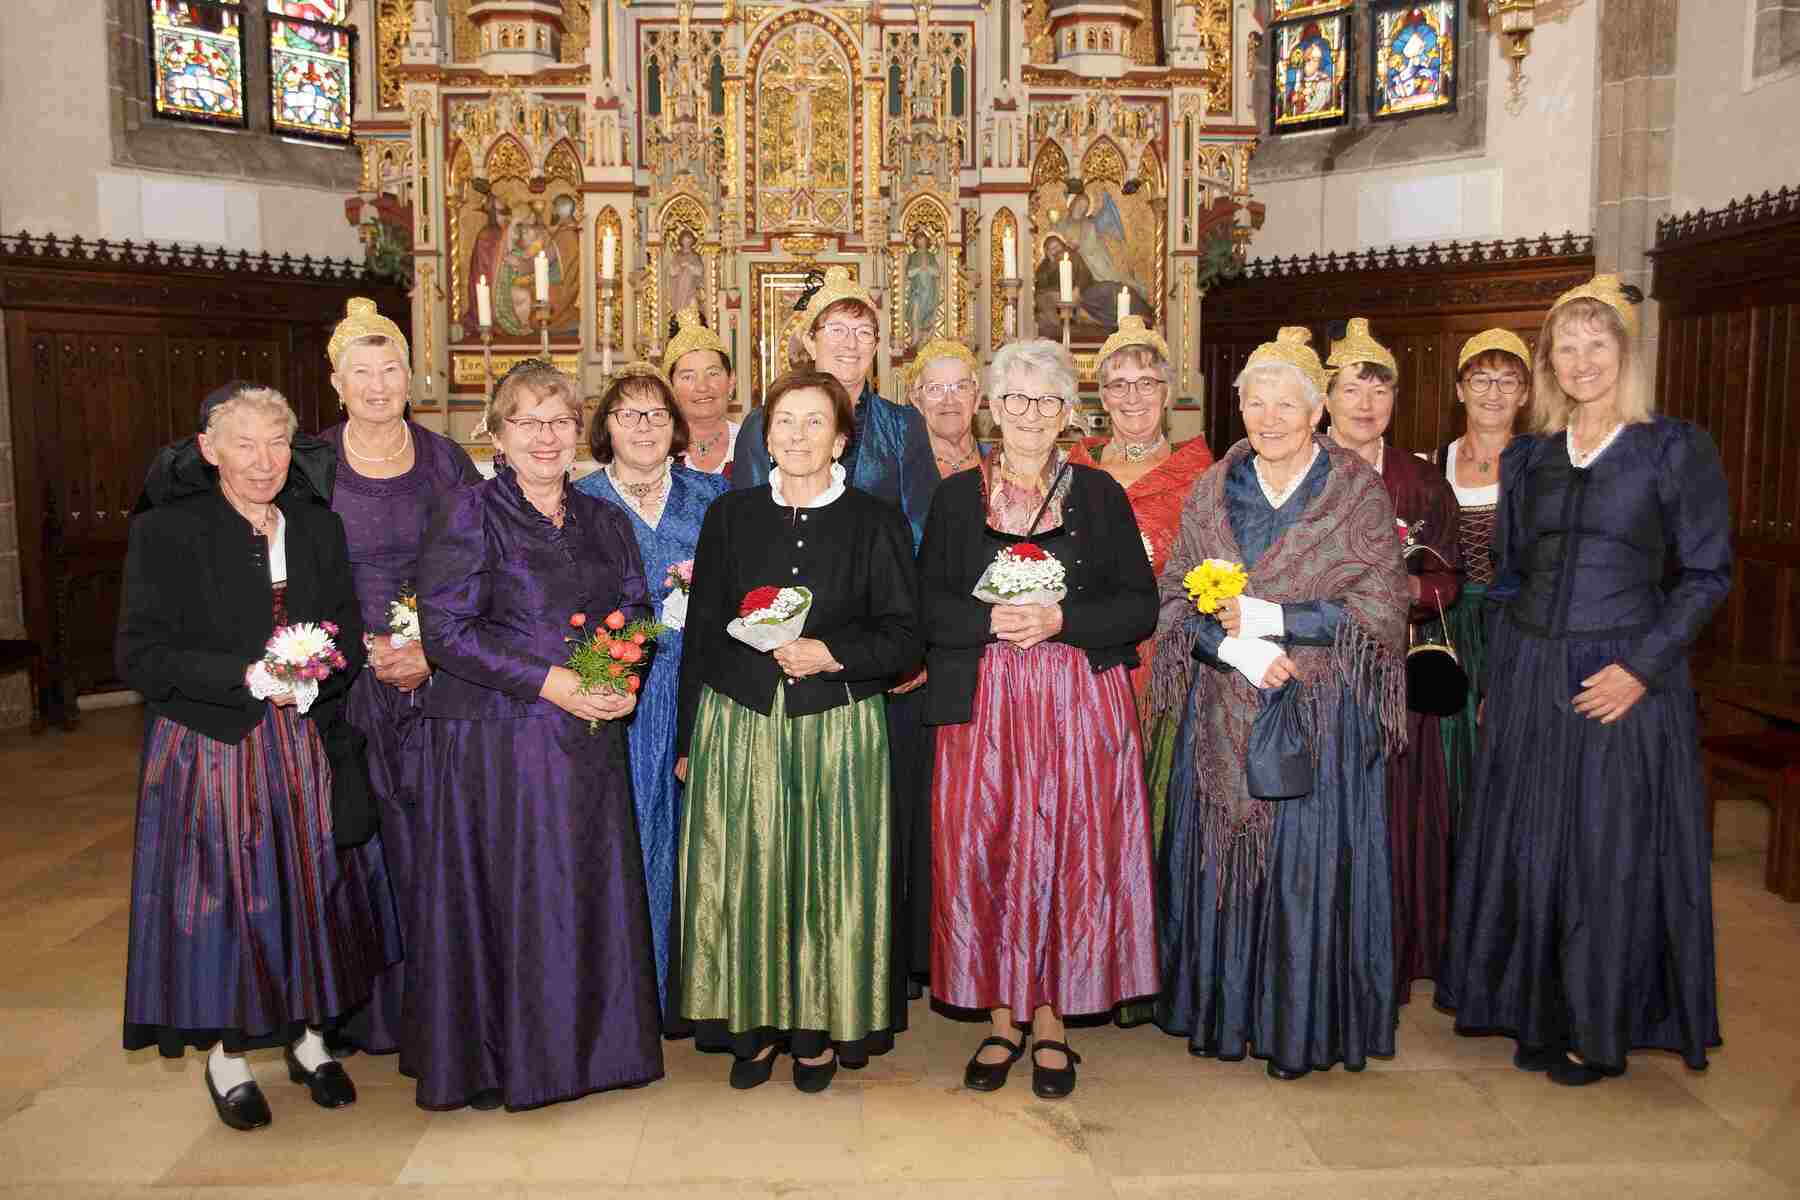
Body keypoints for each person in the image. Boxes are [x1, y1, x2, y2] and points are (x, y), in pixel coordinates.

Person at [1439, 277, 1731, 1086]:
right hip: (1531, 670)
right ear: (1549, 363)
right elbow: (1508, 575)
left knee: (1606, 844)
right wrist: (1498, 676)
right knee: (1532, 838)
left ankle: (1596, 1021)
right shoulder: (1530, 455)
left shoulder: (1672, 448)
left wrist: (1641, 668)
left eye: (1597, 343)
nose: (1581, 360)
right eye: (1565, 346)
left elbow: (1707, 575)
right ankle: (1530, 1005)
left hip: (1621, 671)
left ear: (1626, 353)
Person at [119, 382, 399, 1131]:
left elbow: (342, 628)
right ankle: (228, 1057)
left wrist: (317, 670)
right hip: (212, 743)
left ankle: (308, 1041)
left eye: (276, 443)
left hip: (303, 738)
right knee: (229, 900)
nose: (263, 460)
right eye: (244, 444)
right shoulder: (167, 532)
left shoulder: (316, 527)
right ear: (208, 450)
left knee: (309, 887)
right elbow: (140, 655)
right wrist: (243, 676)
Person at [1148, 327, 1409, 1080]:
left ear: (1317, 411)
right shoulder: (1212, 488)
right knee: (1223, 859)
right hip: (1222, 707)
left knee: (1304, 865)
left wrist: (1276, 618)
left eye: (1286, 404)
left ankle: (1299, 1025)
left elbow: (1381, 610)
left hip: (1321, 713)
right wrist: (1232, 649)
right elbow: (1175, 600)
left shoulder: (1355, 492)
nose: (1269, 418)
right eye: (1255, 403)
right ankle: (1223, 1016)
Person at [408, 361, 664, 1111]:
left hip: (587, 738)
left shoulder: (602, 518)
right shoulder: (469, 512)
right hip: (499, 741)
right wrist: (551, 683)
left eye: (559, 421)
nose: (546, 437)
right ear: (497, 434)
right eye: (528, 422)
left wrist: (622, 677)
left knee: (582, 891)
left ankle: (592, 1052)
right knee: (517, 896)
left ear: (578, 430)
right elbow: (447, 632)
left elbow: (635, 610)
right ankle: (503, 1060)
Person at [920, 338, 1159, 1100]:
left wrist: (1062, 620)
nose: (1030, 414)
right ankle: (1001, 1018)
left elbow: (1140, 605)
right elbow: (925, 605)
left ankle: (1053, 1022)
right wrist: (988, 622)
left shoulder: (1101, 495)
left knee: (1067, 850)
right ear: (993, 408)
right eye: (1016, 399)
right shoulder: (956, 499)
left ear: (1067, 413)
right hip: (984, 704)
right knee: (989, 850)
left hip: (1077, 700)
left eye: (1047, 400)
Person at [674, 370, 921, 1093]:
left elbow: (905, 635)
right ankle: (754, 1029)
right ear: (765, 435)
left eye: (815, 422)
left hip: (835, 726)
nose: (798, 435)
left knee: (826, 879)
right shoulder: (731, 515)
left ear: (841, 439)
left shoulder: (874, 520)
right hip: (741, 721)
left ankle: (816, 1032)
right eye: (784, 421)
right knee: (747, 874)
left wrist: (831, 653)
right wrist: (689, 739)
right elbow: (702, 636)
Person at [733, 266, 940, 997]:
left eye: (865, 331)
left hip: (871, 648)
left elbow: (923, 533)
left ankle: (869, 964)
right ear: (809, 339)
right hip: (777, 648)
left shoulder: (902, 426)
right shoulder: (771, 420)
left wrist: (907, 642)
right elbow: (749, 531)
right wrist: (776, 631)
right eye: (837, 329)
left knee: (867, 814)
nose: (851, 343)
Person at [320, 299, 480, 1057]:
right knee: (357, 838)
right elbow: (296, 570)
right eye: (363, 372)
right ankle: (360, 1007)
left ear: (411, 377)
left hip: (434, 675)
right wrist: (357, 644)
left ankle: (442, 1004)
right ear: (337, 383)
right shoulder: (312, 463)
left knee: (433, 837)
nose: (379, 385)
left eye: (391, 369)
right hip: (342, 680)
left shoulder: (446, 460)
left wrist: (428, 646)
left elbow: (477, 563)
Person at [573, 361, 728, 1016]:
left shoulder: (712, 497)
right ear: (606, 427)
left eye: (658, 414)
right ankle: (626, 995)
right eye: (629, 414)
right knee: (623, 836)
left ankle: (692, 992)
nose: (644, 426)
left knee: (699, 839)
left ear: (676, 426)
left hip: (699, 688)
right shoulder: (579, 501)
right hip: (614, 692)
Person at [1324, 317, 1461, 1005]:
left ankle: (1394, 954)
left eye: (1380, 390)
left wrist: (1405, 588)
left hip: (1397, 673)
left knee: (1395, 811)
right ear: (1326, 398)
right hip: (1318, 673)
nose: (1366, 403)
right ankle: (1322, 952)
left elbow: (1449, 578)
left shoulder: (1420, 479)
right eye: (1352, 389)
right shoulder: (1296, 466)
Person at [1068, 316, 1214, 871]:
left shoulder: (1200, 474)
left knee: (1158, 799)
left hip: (1168, 659)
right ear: (1102, 395)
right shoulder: (1073, 469)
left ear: (1168, 392)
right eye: (1119, 384)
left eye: (1146, 383)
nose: (1133, 397)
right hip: (1084, 657)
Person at [1428, 329, 1532, 833]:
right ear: (1460, 390)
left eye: (1508, 381)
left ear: (1525, 394)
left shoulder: (1538, 464)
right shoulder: (1434, 463)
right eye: (1481, 379)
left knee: (1507, 761)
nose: (1493, 392)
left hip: (1511, 626)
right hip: (1445, 626)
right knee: (1444, 763)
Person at [664, 303, 739, 476]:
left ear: (731, 381)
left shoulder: (755, 444)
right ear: (670, 387)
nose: (702, 386)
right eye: (688, 377)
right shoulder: (657, 449)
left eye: (712, 373)